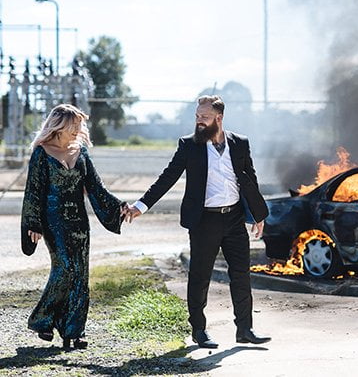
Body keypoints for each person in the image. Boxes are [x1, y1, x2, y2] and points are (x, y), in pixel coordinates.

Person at [125, 95, 271, 348]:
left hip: (234, 218)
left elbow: (250, 178)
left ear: (219, 118)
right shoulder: (189, 145)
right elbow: (168, 177)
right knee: (200, 276)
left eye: (204, 117)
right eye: (197, 116)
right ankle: (199, 330)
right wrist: (141, 205)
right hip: (204, 220)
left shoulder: (239, 143)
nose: (199, 121)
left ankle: (245, 329)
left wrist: (258, 215)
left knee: (241, 274)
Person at [21, 104, 127, 350]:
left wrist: (119, 207)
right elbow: (33, 191)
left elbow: (96, 188)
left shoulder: (82, 152)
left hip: (79, 221)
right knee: (65, 268)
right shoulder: (41, 153)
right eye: (74, 125)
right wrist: (33, 223)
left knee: (80, 273)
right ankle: (43, 319)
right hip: (53, 221)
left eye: (80, 125)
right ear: (60, 126)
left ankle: (74, 331)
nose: (79, 130)